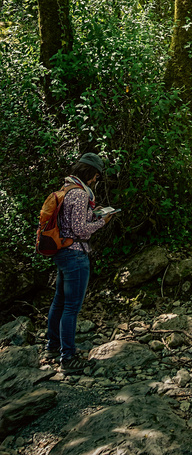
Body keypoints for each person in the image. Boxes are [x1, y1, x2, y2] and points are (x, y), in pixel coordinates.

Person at [44, 153, 114, 373]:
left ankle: (52, 346)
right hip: (75, 254)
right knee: (71, 307)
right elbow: (80, 230)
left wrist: (92, 216)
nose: (96, 181)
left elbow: (70, 223)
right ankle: (68, 358)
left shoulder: (66, 189)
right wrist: (102, 221)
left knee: (59, 301)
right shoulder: (81, 194)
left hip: (61, 252)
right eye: (96, 177)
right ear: (91, 174)